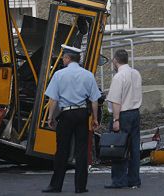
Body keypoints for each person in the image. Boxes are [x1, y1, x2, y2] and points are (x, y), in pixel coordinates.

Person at [42, 44, 101, 194]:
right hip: (82, 114)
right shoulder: (88, 75)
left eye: (63, 57)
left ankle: (56, 186)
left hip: (66, 115)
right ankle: (80, 187)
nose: (62, 59)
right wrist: (94, 118)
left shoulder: (59, 75)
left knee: (62, 150)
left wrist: (50, 117)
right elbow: (94, 99)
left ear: (68, 58)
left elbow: (53, 99)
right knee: (81, 151)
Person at [104, 49, 142, 189]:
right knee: (134, 148)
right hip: (135, 113)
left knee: (118, 148)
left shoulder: (119, 77)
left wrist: (116, 120)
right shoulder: (136, 73)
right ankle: (134, 179)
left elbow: (115, 101)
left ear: (115, 61)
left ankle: (118, 180)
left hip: (123, 115)